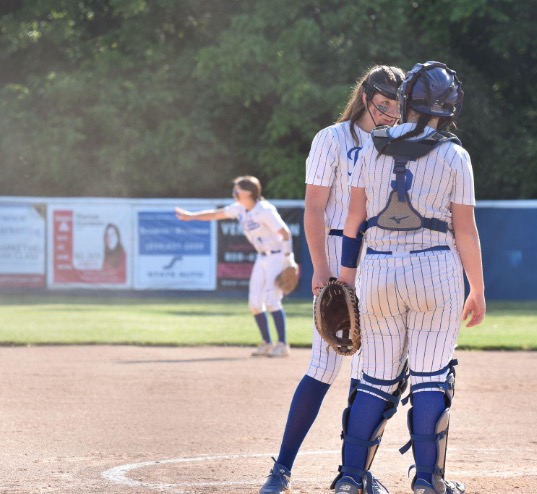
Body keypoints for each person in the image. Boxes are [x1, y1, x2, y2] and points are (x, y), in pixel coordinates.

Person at [333, 61, 485, 494]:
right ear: (451, 107)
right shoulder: (455, 156)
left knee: (375, 379)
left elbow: (353, 223)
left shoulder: (368, 150)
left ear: (405, 102)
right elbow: (465, 230)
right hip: (435, 271)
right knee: (432, 377)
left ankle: (349, 478)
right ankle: (426, 481)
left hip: (378, 268)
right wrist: (477, 287)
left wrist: (345, 281)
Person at [258, 65, 405, 494]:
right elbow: (314, 208)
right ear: (365, 98)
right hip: (340, 254)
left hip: (379, 259)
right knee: (322, 368)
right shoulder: (332, 140)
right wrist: (320, 268)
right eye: (383, 107)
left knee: (372, 375)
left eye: (396, 110)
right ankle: (281, 468)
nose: (389, 116)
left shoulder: (397, 143)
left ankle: (356, 471)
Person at [175, 175, 294, 358]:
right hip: (262, 258)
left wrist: (288, 259)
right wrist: (191, 216)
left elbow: (285, 233)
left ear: (248, 193)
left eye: (237, 191)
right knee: (254, 303)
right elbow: (216, 214)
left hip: (277, 257)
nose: (234, 194)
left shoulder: (265, 210)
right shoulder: (240, 209)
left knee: (271, 301)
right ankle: (267, 343)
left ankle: (283, 345)